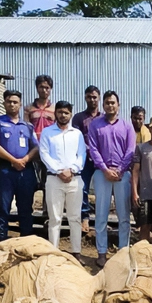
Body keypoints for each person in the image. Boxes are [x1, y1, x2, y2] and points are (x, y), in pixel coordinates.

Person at [88, 91, 136, 268]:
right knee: (101, 215)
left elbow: (131, 150)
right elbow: (93, 149)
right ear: (103, 105)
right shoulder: (95, 125)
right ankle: (102, 253)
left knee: (124, 216)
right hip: (102, 174)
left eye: (113, 103)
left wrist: (121, 169)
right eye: (107, 103)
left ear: (118, 104)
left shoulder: (127, 126)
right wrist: (105, 169)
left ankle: (123, 253)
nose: (110, 105)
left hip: (123, 175)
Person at [38, 101, 87, 263]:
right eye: (60, 112)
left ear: (70, 114)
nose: (63, 115)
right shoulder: (47, 132)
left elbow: (82, 155)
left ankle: (76, 253)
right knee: (55, 218)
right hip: (54, 179)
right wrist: (60, 171)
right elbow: (44, 154)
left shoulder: (77, 134)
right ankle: (53, 252)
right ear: (55, 114)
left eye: (66, 112)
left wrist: (71, 170)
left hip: (75, 179)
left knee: (75, 218)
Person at [0, 90, 39, 243]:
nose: (12, 104)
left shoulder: (28, 126)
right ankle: (0, 240)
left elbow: (36, 147)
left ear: (20, 104)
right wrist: (13, 160)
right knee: (3, 207)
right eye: (9, 101)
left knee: (25, 208)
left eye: (15, 102)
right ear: (4, 103)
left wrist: (24, 159)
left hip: (25, 170)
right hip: (4, 170)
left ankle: (26, 241)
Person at [72, 85, 102, 233]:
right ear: (85, 98)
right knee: (82, 189)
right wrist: (90, 149)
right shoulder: (78, 118)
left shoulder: (104, 118)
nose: (92, 100)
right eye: (89, 97)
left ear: (99, 98)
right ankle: (84, 217)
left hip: (101, 160)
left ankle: (101, 218)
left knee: (101, 190)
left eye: (94, 97)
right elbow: (76, 138)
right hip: (84, 159)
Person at [24, 74, 56, 139]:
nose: (44, 90)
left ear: (50, 89)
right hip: (34, 143)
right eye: (41, 87)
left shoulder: (54, 109)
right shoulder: (29, 108)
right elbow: (26, 127)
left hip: (50, 141)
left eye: (47, 88)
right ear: (37, 88)